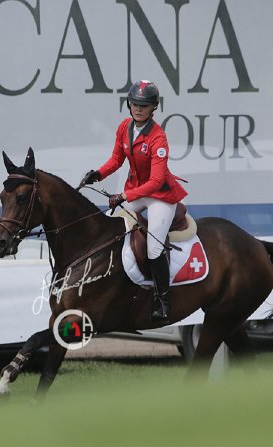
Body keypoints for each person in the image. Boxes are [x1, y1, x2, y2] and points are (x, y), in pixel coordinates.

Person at [79, 80, 187, 324]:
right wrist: (98, 174)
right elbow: (116, 160)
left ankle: (163, 302)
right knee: (109, 227)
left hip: (160, 197)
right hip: (136, 192)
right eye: (135, 103)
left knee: (154, 248)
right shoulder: (124, 127)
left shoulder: (158, 138)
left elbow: (156, 181)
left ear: (153, 107)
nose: (138, 108)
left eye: (144, 105)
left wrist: (125, 196)